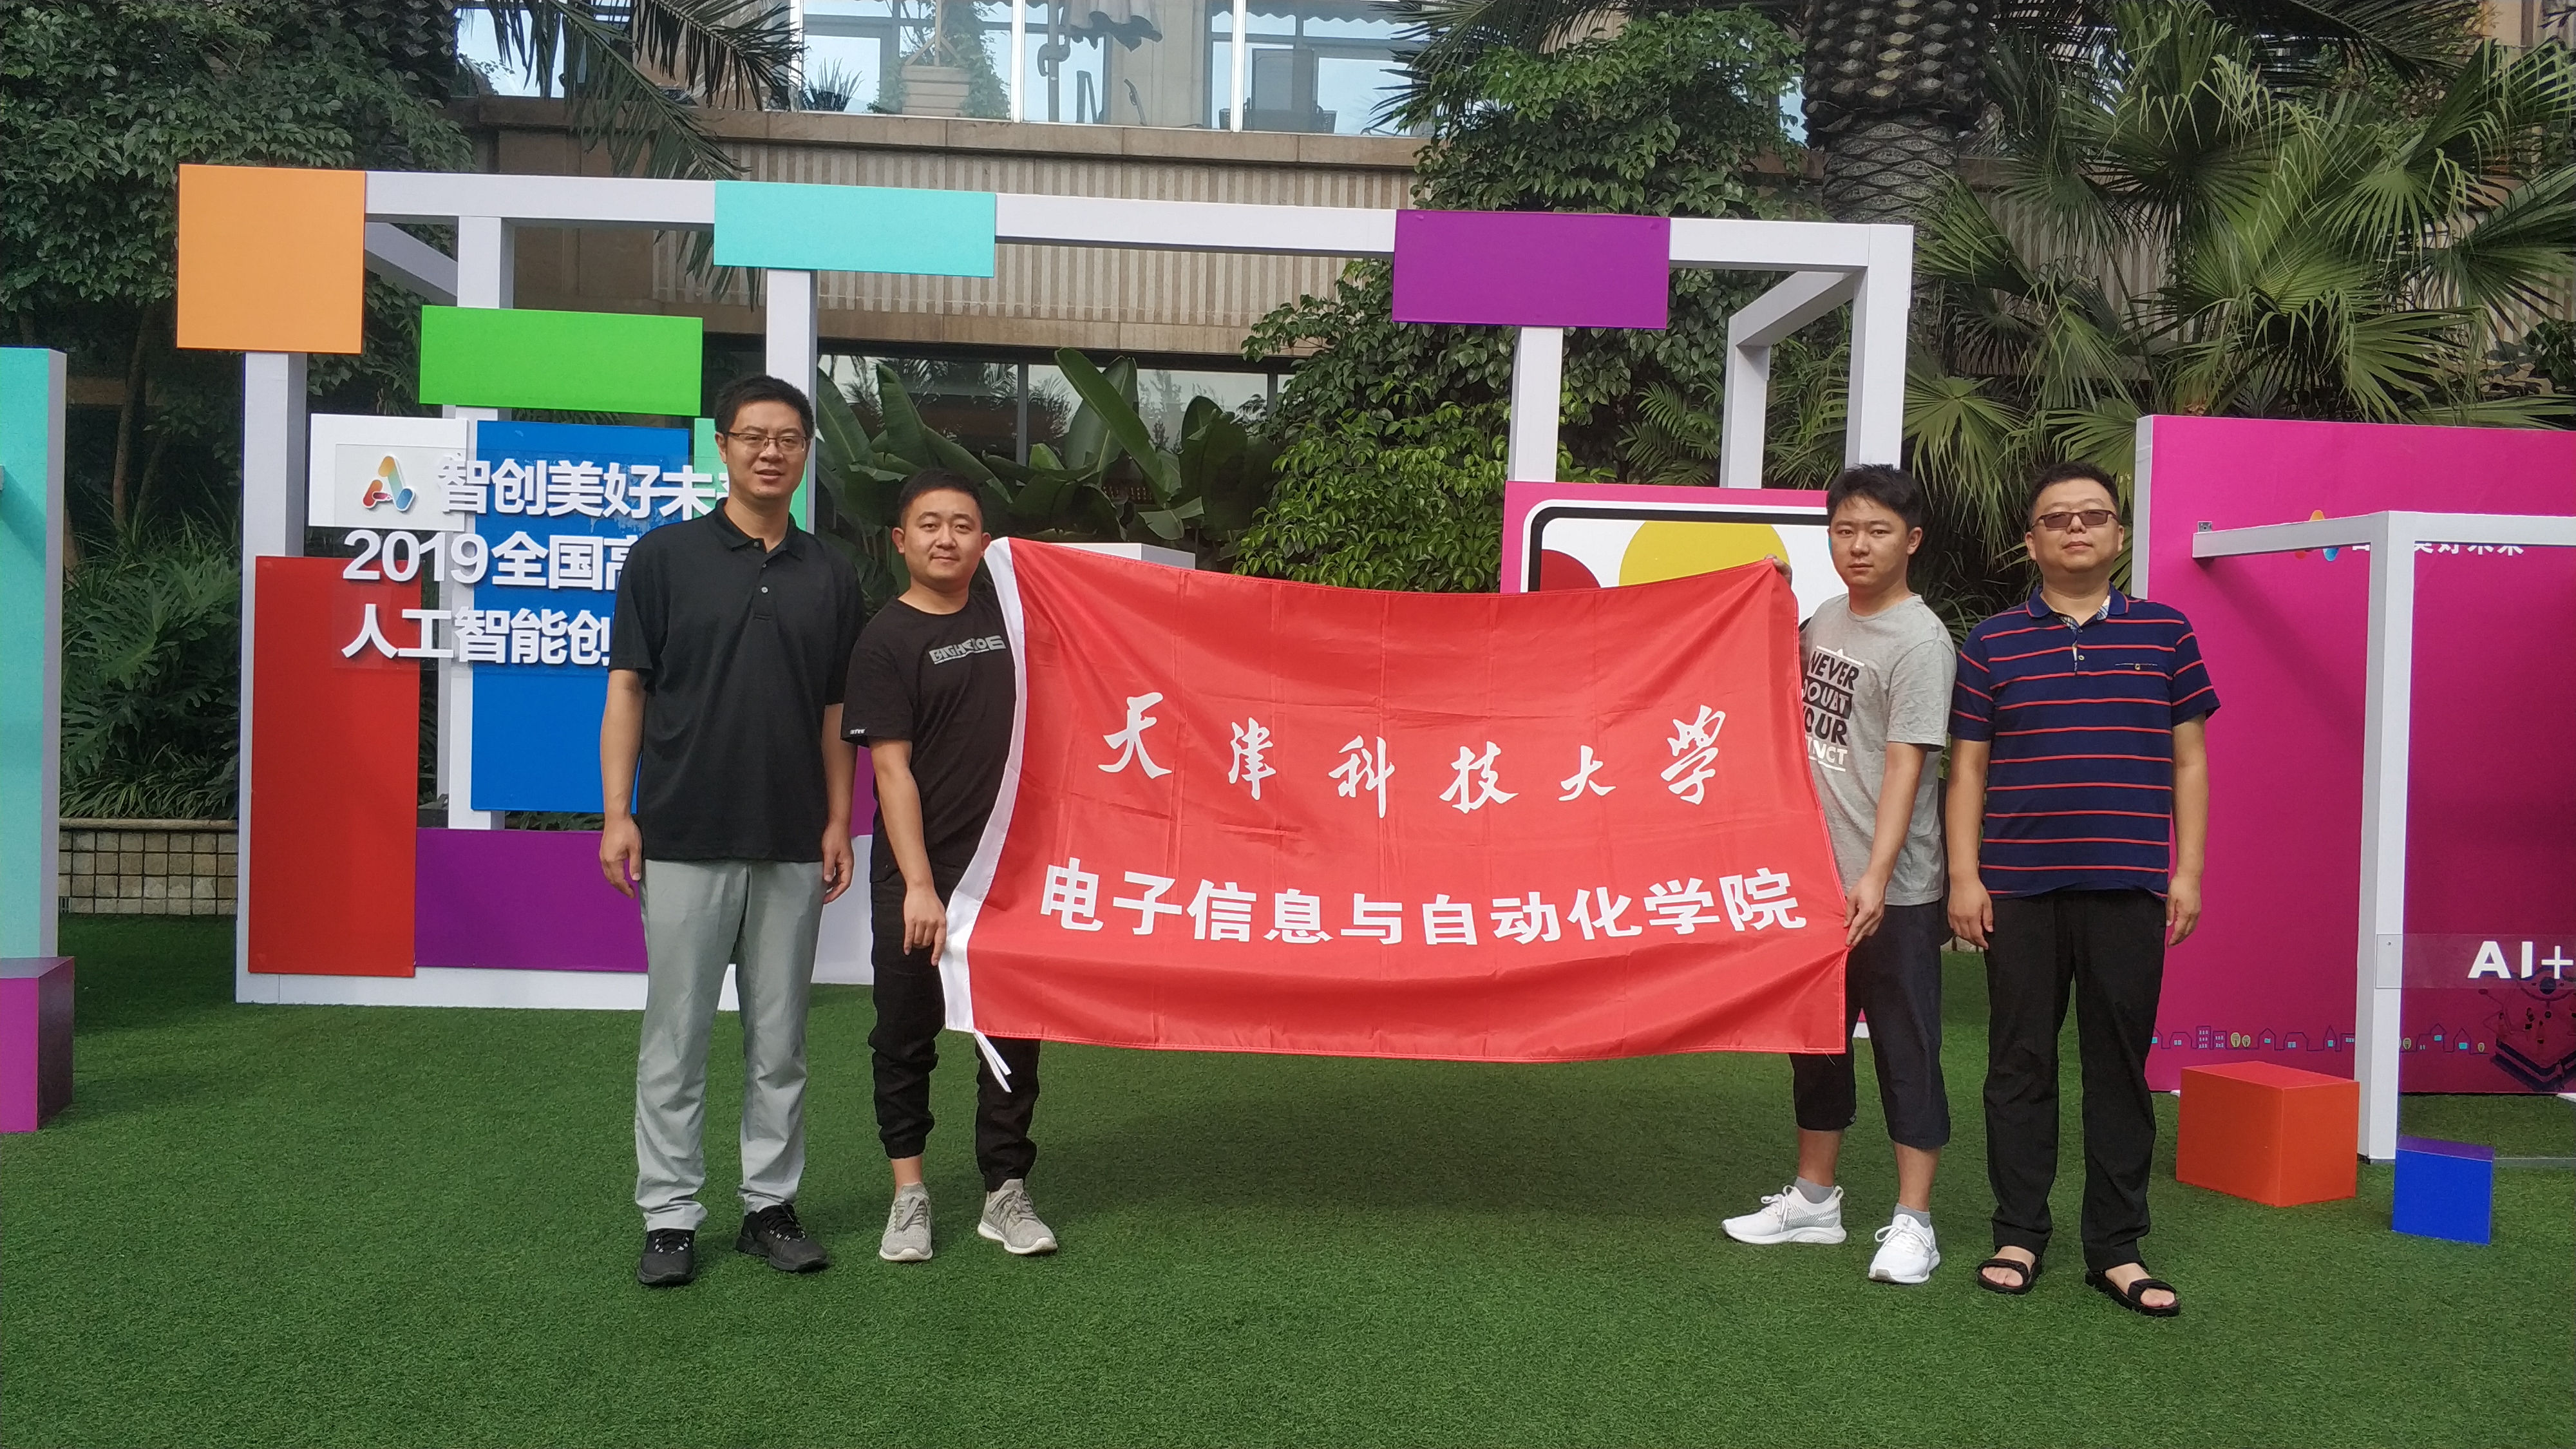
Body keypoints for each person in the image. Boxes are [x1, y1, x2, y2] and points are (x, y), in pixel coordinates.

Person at [601, 375, 862, 1289]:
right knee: (675, 1040)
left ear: (805, 451)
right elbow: (628, 687)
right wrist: (618, 812)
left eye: (788, 438)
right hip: (682, 831)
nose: (770, 452)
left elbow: (837, 711)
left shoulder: (831, 573)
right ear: (722, 446)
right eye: (753, 436)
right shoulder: (663, 558)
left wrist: (839, 819)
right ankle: (669, 1216)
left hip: (792, 838)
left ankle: (769, 1206)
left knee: (780, 1042)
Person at [1947, 460, 2215, 1318]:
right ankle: (2019, 1232)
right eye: (2056, 518)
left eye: (2092, 516)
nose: (2075, 528)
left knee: (2118, 1067)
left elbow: (2189, 761)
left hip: (2129, 885)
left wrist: (2187, 871)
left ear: (2119, 535)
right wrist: (1964, 875)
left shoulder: (2166, 632)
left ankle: (2117, 1247)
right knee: (2018, 1062)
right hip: (2018, 889)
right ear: (2030, 541)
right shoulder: (1992, 642)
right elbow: (1967, 770)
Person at [1722, 464, 1956, 1285]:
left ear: (1911, 541)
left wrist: (1877, 876)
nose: (1858, 546)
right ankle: (1815, 1201)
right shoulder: (1825, 617)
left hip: (1891, 895)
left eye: (1877, 532)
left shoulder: (1921, 643)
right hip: (1816, 885)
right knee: (1816, 1046)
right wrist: (1766, 597)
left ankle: (1914, 1222)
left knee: (1905, 1051)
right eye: (1845, 530)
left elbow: (1907, 769)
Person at [844, 470, 1056, 1263]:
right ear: (899, 542)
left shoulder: (1010, 618)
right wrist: (920, 887)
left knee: (1011, 1038)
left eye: (962, 526)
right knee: (905, 1037)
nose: (946, 539)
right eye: (929, 525)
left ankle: (1006, 1191)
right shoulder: (884, 641)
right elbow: (890, 770)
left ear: (984, 543)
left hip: (1009, 875)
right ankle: (909, 1195)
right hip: (919, 880)